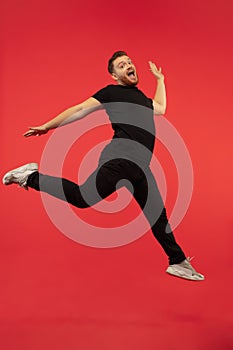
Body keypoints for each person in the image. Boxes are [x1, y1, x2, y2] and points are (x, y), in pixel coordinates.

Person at [3, 51, 204, 281]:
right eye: (121, 65)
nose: (128, 65)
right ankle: (30, 176)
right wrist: (47, 126)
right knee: (82, 198)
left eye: (129, 62)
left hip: (140, 167)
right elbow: (79, 110)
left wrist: (160, 80)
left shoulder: (141, 99)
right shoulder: (111, 93)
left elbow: (160, 107)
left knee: (158, 215)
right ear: (114, 75)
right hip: (119, 160)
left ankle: (177, 261)